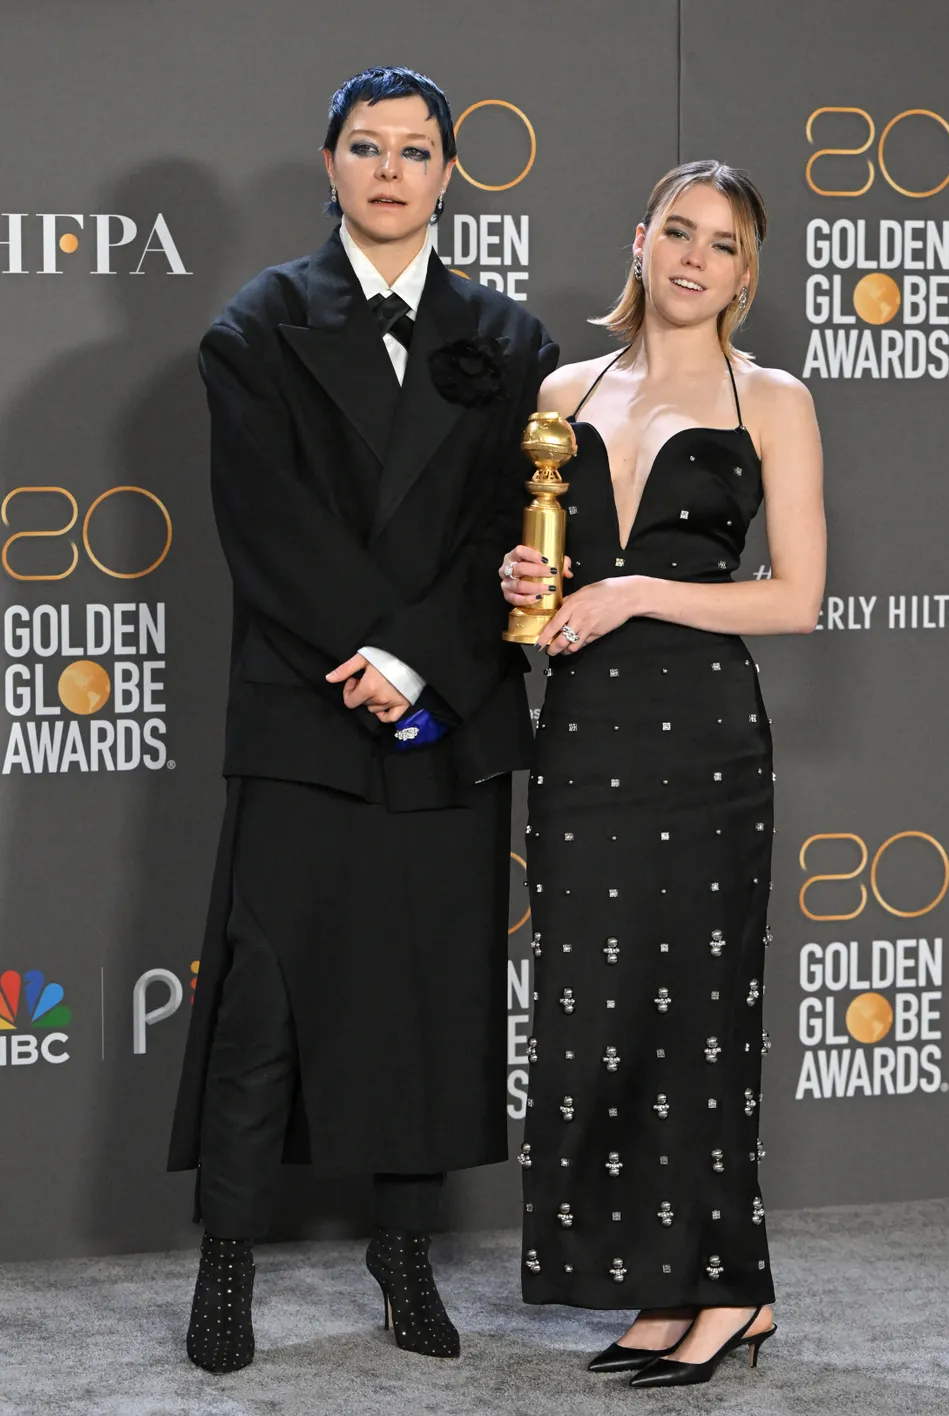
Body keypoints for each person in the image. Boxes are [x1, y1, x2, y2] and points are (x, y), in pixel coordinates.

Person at [168, 65, 557, 1373]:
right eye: (366, 146)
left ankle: (406, 1262)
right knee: (263, 1006)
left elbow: (514, 529)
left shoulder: (512, 344)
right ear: (327, 165)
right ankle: (224, 1270)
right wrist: (374, 649)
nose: (392, 169)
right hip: (308, 709)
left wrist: (423, 660)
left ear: (451, 173)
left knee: (428, 996)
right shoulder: (256, 327)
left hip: (446, 712)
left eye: (417, 149)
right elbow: (265, 527)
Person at [500, 159, 825, 1388]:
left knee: (698, 1021)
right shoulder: (564, 387)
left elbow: (796, 597)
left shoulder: (770, 399)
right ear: (639, 241)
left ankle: (731, 1289)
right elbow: (543, 570)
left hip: (703, 742)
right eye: (677, 231)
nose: (695, 257)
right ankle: (658, 1283)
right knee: (596, 1020)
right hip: (582, 733)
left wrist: (638, 589)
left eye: (724, 244)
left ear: (747, 273)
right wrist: (525, 586)